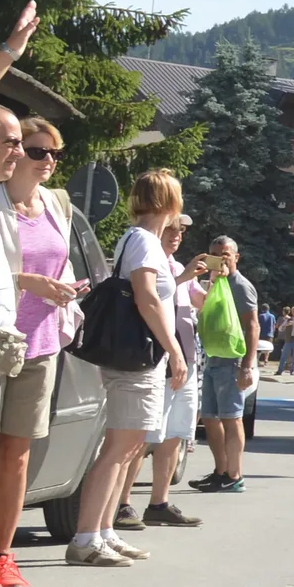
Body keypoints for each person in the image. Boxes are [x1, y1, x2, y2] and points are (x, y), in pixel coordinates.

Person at [69, 169, 187, 567]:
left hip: (138, 358)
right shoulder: (146, 243)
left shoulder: (138, 239)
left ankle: (103, 532)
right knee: (119, 448)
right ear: (170, 204)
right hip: (139, 359)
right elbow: (147, 298)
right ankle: (87, 537)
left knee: (129, 445)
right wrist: (175, 350)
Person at [0, 107, 72, 587]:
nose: (46, 160)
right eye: (37, 150)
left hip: (39, 344)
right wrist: (27, 281)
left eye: (54, 153)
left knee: (16, 455)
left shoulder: (57, 205)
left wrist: (64, 291)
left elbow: (59, 263)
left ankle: (2, 556)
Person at [133, 217, 206, 528]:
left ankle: (158, 502)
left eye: (182, 231)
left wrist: (219, 280)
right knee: (143, 435)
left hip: (185, 360)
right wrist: (183, 277)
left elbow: (201, 303)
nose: (177, 235)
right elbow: (148, 297)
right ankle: (122, 504)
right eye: (172, 229)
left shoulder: (177, 266)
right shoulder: (151, 261)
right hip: (159, 359)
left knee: (174, 433)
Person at [190, 235, 260, 493]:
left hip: (232, 362)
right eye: (215, 255)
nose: (221, 260)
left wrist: (246, 366)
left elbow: (253, 326)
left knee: (232, 419)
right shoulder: (211, 284)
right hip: (211, 360)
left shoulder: (240, 286)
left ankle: (235, 475)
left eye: (226, 255)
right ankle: (220, 471)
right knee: (209, 418)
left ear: (236, 257)